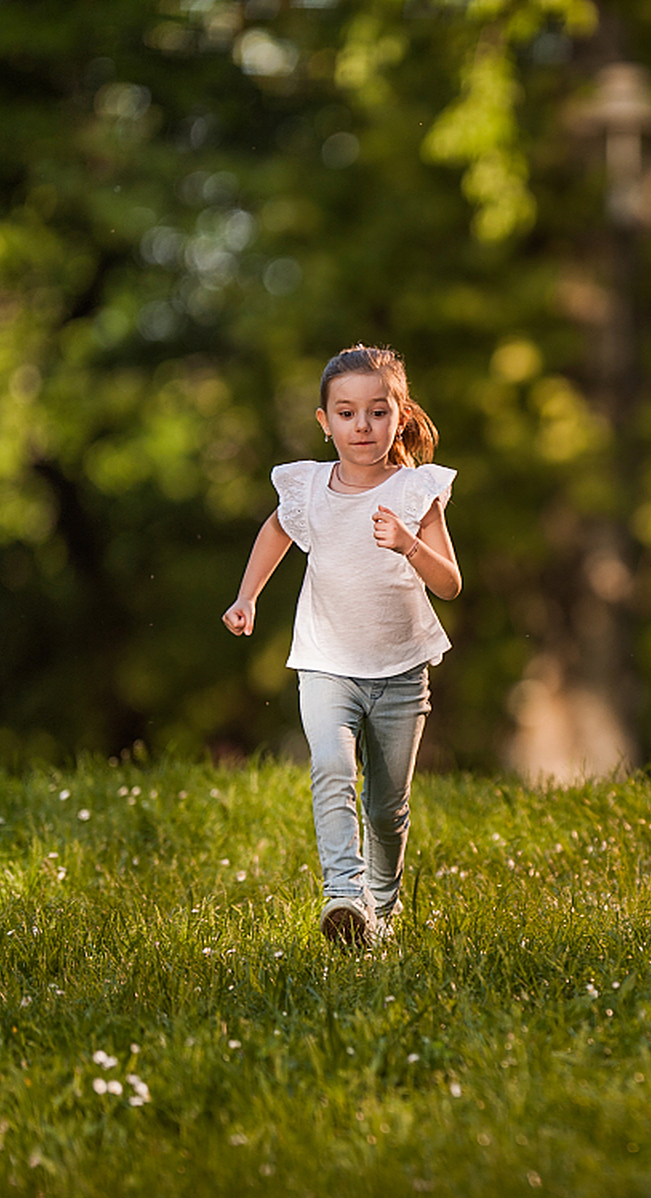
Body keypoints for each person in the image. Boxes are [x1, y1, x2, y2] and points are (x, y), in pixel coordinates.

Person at [222, 344, 461, 947]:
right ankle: (345, 896)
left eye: (378, 412)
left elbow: (450, 584)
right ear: (325, 421)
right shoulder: (307, 487)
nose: (363, 426)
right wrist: (248, 596)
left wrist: (409, 543)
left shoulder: (416, 491)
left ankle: (383, 905)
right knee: (331, 768)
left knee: (387, 807)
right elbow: (275, 532)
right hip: (326, 664)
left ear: (399, 416)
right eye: (347, 413)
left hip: (401, 672)